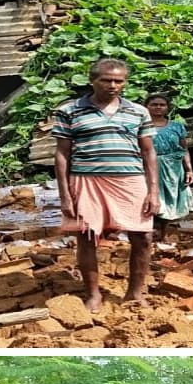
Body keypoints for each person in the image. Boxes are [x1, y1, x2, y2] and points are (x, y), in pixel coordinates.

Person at [53, 57, 161, 312]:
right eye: (107, 80)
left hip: (130, 180)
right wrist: (65, 194)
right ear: (92, 80)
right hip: (87, 180)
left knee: (143, 236)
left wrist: (153, 190)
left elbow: (148, 152)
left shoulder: (138, 111)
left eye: (119, 81)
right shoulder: (69, 111)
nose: (113, 85)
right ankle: (93, 294)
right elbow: (62, 154)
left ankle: (134, 293)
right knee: (87, 237)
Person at [144, 92, 193, 244]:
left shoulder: (176, 126)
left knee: (170, 200)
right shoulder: (141, 126)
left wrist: (189, 169)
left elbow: (184, 148)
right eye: (154, 104)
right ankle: (147, 233)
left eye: (162, 105)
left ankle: (164, 234)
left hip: (173, 168)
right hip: (150, 167)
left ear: (167, 108)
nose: (158, 108)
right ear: (146, 107)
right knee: (150, 198)